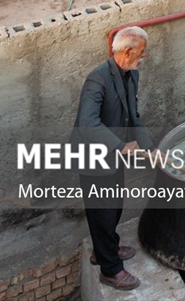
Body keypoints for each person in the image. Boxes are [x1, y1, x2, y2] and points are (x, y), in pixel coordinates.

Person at [70, 26, 154, 291]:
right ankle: (110, 269)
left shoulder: (130, 76)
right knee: (102, 213)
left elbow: (133, 115)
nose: (143, 57)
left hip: (114, 156)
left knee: (114, 206)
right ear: (127, 51)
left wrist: (150, 149)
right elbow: (87, 122)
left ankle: (103, 250)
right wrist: (120, 146)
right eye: (141, 53)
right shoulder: (98, 79)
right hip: (94, 158)